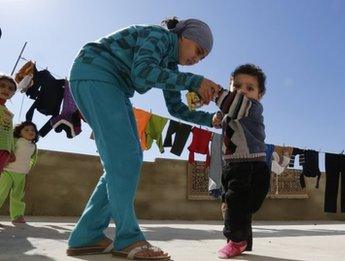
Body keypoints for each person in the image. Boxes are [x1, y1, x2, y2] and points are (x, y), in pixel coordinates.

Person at [66, 17, 221, 260]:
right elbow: (142, 73)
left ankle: (87, 235)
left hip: (111, 84)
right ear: (183, 36)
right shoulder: (159, 36)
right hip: (96, 73)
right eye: (198, 50)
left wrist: (210, 120)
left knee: (129, 158)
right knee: (124, 158)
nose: (196, 59)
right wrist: (193, 82)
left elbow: (175, 109)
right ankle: (128, 239)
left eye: (202, 58)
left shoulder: (170, 65)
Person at [213, 64, 270, 259]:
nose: (242, 92)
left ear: (259, 95)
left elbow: (233, 106)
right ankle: (241, 242)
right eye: (236, 86)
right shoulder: (233, 110)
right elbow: (228, 115)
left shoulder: (251, 107)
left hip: (248, 164)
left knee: (236, 204)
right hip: (233, 164)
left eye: (249, 88)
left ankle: (236, 241)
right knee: (235, 205)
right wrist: (217, 118)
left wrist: (214, 93)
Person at [0, 121, 38, 224]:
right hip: (7, 171)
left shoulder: (33, 146)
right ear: (19, 132)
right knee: (1, 193)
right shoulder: (15, 140)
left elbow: (32, 160)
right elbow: (6, 149)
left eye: (33, 130)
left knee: (18, 196)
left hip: (21, 174)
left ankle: (17, 216)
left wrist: (27, 173)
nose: (30, 131)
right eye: (26, 130)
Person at [0, 75, 16, 173]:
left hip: (4, 150)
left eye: (10, 88)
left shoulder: (9, 113)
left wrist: (11, 150)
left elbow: (10, 132)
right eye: (2, 85)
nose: (6, 89)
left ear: (13, 94)